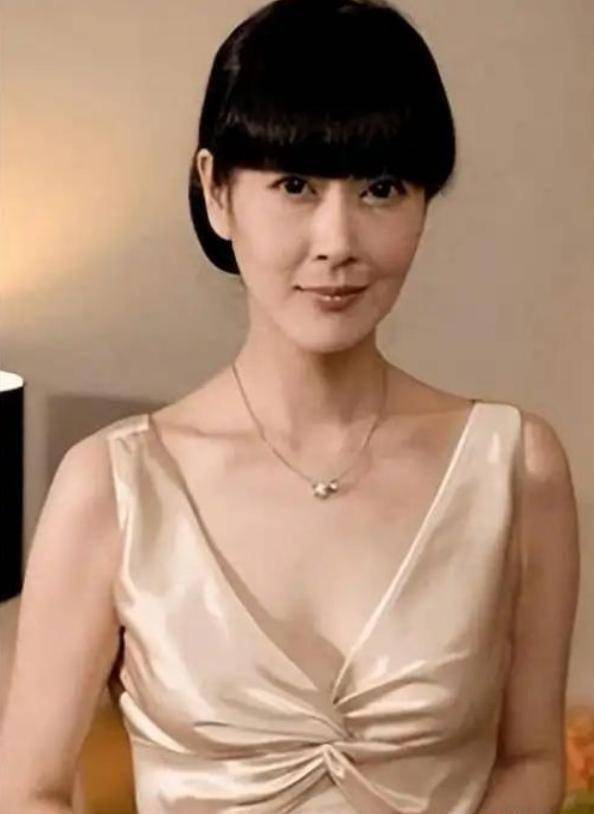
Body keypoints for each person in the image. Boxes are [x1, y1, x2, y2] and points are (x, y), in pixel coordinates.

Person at [0, 0, 580, 812]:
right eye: (296, 185)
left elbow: (532, 759)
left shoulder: (516, 466)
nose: (338, 242)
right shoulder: (112, 484)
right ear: (217, 191)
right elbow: (26, 790)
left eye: (381, 188)